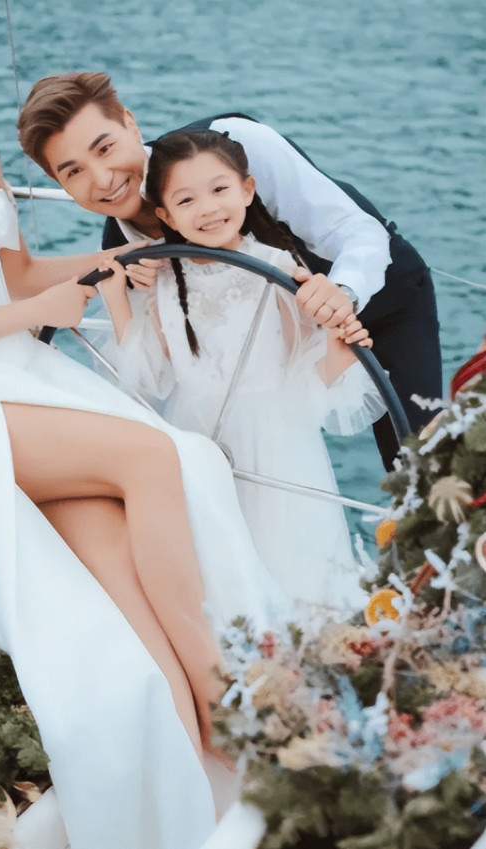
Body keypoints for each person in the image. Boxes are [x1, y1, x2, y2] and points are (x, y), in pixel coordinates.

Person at [0, 5, 286, 849]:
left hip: (18, 376)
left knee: (120, 574)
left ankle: (191, 774)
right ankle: (220, 694)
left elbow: (20, 272)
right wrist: (41, 310)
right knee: (153, 454)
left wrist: (128, 257)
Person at [17, 71, 443, 469]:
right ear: (57, 182)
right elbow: (168, 368)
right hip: (291, 375)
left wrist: (343, 292)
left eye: (105, 148)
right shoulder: (121, 259)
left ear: (130, 123)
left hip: (384, 302)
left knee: (421, 469)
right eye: (74, 171)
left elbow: (355, 230)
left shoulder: (235, 145)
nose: (102, 178)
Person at [96, 128, 384, 610]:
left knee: (293, 571)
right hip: (196, 443)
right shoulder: (164, 278)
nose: (208, 209)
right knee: (212, 576)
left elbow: (307, 381)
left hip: (279, 446)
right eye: (186, 200)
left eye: (219, 190)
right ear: (164, 215)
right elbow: (148, 379)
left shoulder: (281, 269)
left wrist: (340, 349)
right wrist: (116, 300)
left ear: (247, 190)